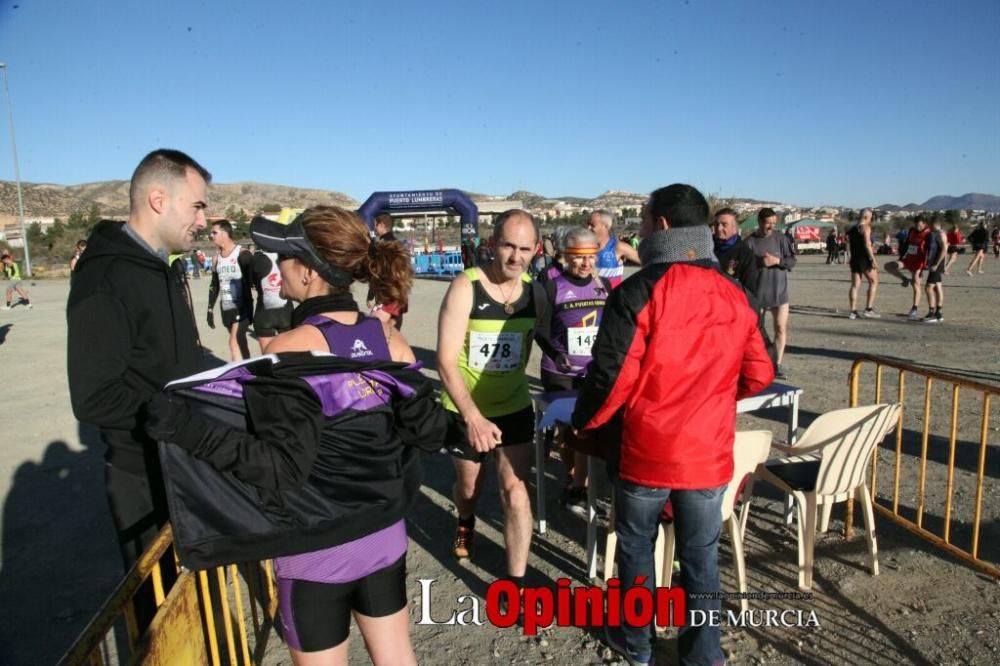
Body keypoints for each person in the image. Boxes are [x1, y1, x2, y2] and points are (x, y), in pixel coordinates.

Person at [145, 206, 444, 664]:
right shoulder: (391, 339)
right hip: (385, 532)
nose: (276, 267)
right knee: (398, 657)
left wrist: (186, 428)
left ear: (306, 274)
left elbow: (278, 468)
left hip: (316, 551)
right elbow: (422, 430)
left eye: (283, 257)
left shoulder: (286, 351)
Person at [571, 184, 773, 666]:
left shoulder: (638, 291)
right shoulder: (734, 292)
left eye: (641, 222)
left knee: (636, 550)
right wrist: (714, 399)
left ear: (660, 226)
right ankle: (704, 654)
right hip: (706, 454)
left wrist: (583, 424)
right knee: (701, 557)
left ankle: (636, 644)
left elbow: (610, 377)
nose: (637, 232)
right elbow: (760, 372)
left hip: (646, 451)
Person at [66, 149, 210, 605]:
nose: (203, 221)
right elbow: (94, 397)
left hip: (183, 462)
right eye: (198, 205)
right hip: (144, 478)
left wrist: (232, 377)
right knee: (165, 615)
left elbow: (177, 358)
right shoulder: (105, 277)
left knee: (200, 605)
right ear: (157, 199)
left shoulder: (162, 269)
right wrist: (171, 415)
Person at [436, 209, 543, 589]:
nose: (516, 256)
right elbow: (444, 360)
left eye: (525, 249)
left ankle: (514, 582)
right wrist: (473, 416)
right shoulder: (467, 286)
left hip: (513, 406)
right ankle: (465, 520)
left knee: (516, 493)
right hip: (467, 410)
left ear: (536, 249)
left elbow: (545, 344)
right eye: (508, 246)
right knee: (469, 490)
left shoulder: (535, 292)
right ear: (492, 244)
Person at [536, 227, 609, 516]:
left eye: (591, 257)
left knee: (587, 428)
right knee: (567, 431)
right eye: (579, 257)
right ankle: (572, 479)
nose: (586, 264)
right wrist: (556, 354)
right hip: (559, 370)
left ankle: (579, 486)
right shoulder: (551, 284)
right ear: (565, 256)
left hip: (590, 371)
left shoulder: (604, 284)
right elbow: (539, 329)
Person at [745, 207, 795, 378]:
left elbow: (792, 261)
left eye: (774, 223)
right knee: (756, 332)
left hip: (779, 293)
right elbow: (743, 266)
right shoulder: (750, 242)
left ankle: (777, 364)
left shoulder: (781, 239)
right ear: (759, 222)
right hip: (757, 294)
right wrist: (759, 262)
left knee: (780, 328)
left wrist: (778, 260)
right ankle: (761, 363)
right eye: (768, 223)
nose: (771, 227)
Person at [207, 220, 254, 361]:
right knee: (241, 342)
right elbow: (214, 285)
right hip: (226, 307)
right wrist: (210, 309)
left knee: (233, 342)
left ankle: (238, 377)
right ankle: (249, 370)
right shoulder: (216, 259)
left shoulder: (242, 254)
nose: (211, 236)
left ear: (225, 233)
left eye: (214, 232)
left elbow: (255, 277)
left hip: (242, 307)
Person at [248, 243, 294, 353]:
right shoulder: (288, 256)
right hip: (286, 312)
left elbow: (250, 282)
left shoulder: (256, 258)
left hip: (264, 313)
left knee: (268, 359)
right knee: (291, 357)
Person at [711, 207, 759, 296]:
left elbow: (749, 291)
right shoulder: (707, 249)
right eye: (717, 224)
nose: (719, 228)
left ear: (734, 228)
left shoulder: (745, 254)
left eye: (724, 225)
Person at [587, 209, 640, 288]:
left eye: (592, 225)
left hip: (611, 299)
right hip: (591, 299)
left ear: (605, 226)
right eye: (588, 224)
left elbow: (649, 261)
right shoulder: (585, 246)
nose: (588, 228)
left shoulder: (618, 247)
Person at [847, 208, 881, 319]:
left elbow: (849, 245)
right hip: (864, 259)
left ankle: (853, 311)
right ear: (866, 217)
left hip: (855, 259)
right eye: (871, 218)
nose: (871, 220)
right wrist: (873, 260)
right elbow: (867, 245)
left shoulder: (852, 229)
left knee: (855, 285)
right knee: (874, 281)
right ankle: (868, 309)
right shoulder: (866, 228)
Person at [922, 217, 948, 323]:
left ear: (933, 224)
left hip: (936, 265)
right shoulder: (934, 234)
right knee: (938, 286)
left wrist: (937, 264)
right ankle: (938, 313)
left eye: (929, 224)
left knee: (928, 287)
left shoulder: (940, 234)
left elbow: (944, 249)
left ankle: (932, 313)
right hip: (936, 264)